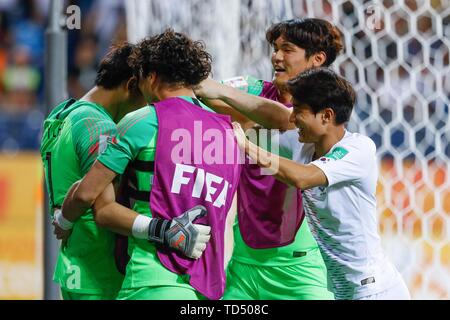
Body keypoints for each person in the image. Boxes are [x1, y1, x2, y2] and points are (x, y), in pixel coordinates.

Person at [60, 29, 241, 300]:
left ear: (152, 77)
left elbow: (89, 196)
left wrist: (63, 220)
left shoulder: (142, 121)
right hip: (209, 285)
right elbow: (228, 218)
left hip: (152, 280)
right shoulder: (228, 132)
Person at [232, 67, 411, 300]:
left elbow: (302, 177)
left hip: (375, 290)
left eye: (299, 111)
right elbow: (266, 121)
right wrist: (213, 92)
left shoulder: (358, 149)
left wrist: (248, 148)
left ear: (326, 116)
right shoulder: (303, 145)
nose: (292, 118)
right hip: (343, 291)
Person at [195, 18, 341, 300]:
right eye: (275, 48)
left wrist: (248, 119)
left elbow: (289, 121)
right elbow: (202, 91)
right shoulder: (251, 89)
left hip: (298, 267)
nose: (276, 56)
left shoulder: (327, 114)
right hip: (244, 263)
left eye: (287, 49)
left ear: (317, 59)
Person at [40, 42, 147, 300]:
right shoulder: (97, 125)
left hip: (76, 267)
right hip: (100, 273)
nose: (147, 105)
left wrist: (63, 219)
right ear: (131, 85)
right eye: (145, 94)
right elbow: (93, 198)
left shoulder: (63, 114)